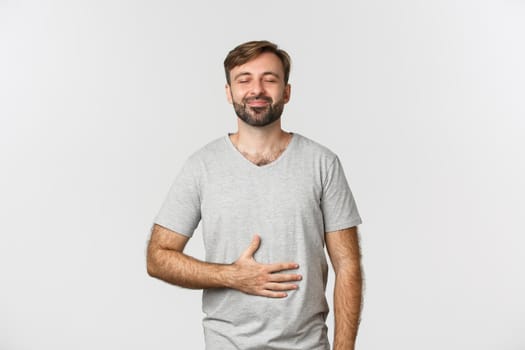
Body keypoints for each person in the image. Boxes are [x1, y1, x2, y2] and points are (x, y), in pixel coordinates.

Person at [147, 40, 363, 350]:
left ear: (286, 91)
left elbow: (347, 264)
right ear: (229, 91)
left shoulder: (322, 163)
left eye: (269, 79)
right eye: (244, 79)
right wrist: (231, 276)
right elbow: (158, 257)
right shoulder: (202, 166)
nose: (257, 89)